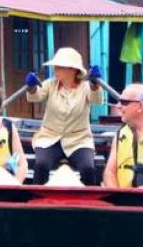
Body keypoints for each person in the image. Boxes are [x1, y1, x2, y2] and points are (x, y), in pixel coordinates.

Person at [24, 47, 103, 185]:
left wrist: (95, 85)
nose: (55, 69)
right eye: (55, 66)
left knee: (88, 169)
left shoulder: (85, 87)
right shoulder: (50, 84)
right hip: (50, 138)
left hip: (79, 140)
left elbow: (96, 100)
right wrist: (30, 87)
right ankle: (37, 199)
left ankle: (89, 202)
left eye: (60, 67)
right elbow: (35, 96)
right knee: (41, 165)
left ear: (73, 70)